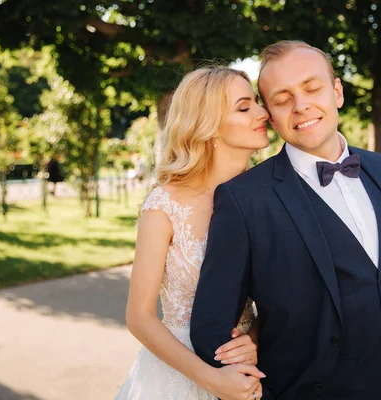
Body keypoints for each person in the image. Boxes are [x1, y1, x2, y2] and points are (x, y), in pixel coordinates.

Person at [191, 41, 381, 399]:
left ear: (337, 91)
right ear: (270, 116)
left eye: (312, 87)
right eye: (283, 98)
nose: (301, 105)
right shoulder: (244, 199)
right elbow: (210, 328)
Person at [115, 67, 270, 400]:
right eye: (245, 107)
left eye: (257, 102)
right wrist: (210, 380)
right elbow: (139, 317)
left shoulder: (266, 197)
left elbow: (283, 295)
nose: (264, 112)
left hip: (249, 371)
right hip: (179, 374)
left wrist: (255, 339)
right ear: (208, 125)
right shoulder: (165, 206)